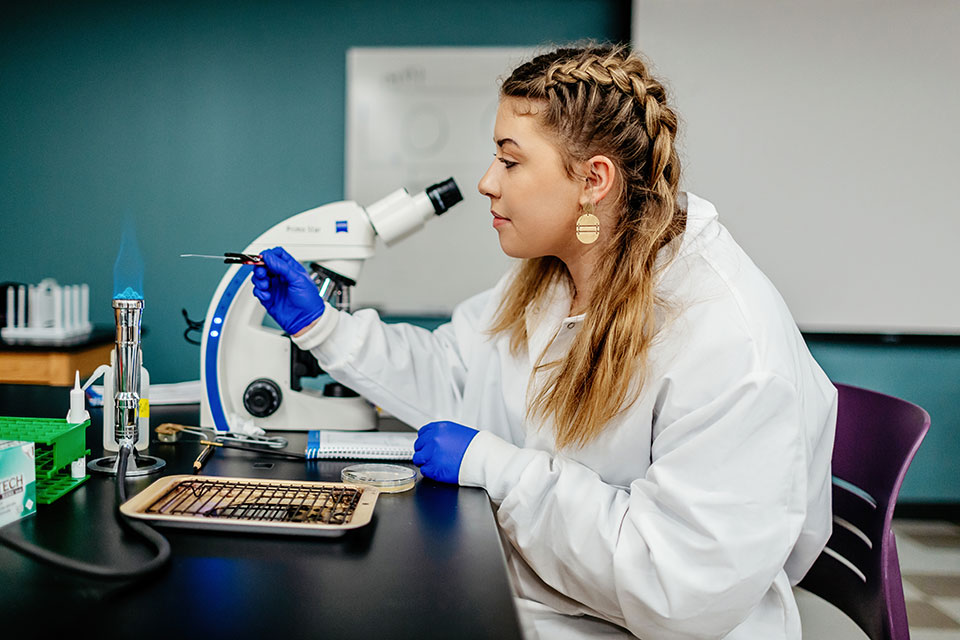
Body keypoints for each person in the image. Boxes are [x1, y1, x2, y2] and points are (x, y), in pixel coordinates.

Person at [251, 44, 837, 640]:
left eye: (510, 161)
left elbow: (677, 584)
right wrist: (322, 327)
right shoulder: (558, 272)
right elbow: (457, 373)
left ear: (593, 180)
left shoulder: (725, 338)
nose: (486, 182)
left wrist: (498, 470)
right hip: (552, 592)